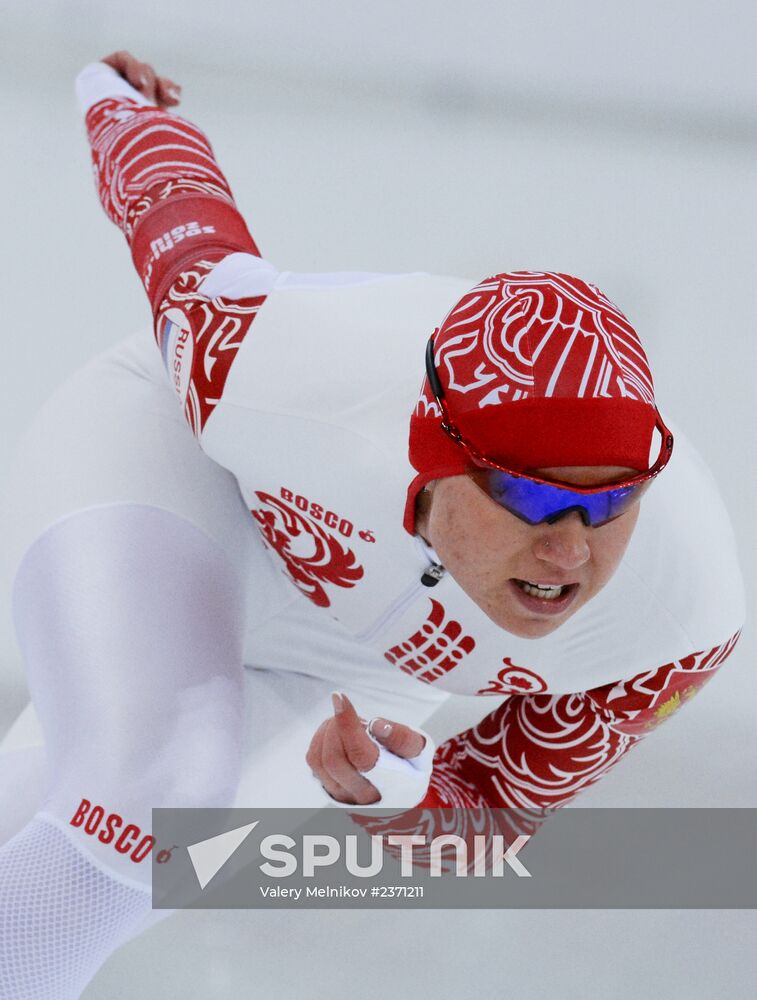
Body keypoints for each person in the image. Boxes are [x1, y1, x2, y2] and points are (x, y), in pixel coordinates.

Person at [0, 50, 744, 998]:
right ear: (433, 459)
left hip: (348, 675)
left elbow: (491, 815)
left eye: (610, 503)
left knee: (126, 864)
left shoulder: (676, 618)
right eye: (528, 496)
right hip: (187, 478)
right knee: (152, 787)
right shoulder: (277, 370)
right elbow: (181, 230)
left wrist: (392, 792)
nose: (570, 552)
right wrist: (115, 102)